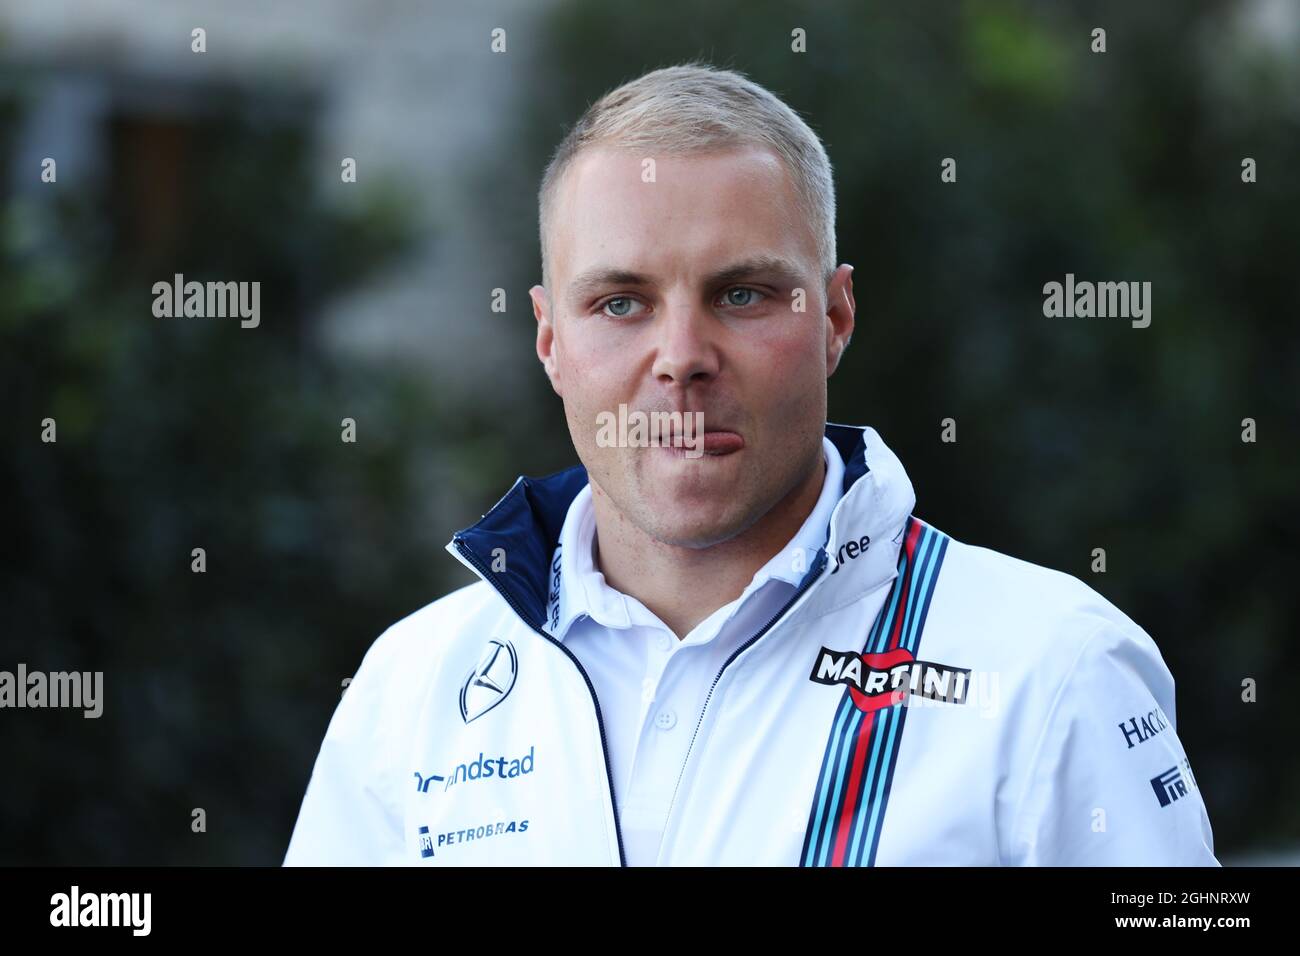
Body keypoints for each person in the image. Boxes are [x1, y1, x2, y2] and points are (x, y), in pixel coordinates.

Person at [284, 62, 1218, 866]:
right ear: (549, 339)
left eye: (742, 293)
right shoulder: (408, 693)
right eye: (620, 303)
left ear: (836, 320)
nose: (682, 353)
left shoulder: (1052, 673)